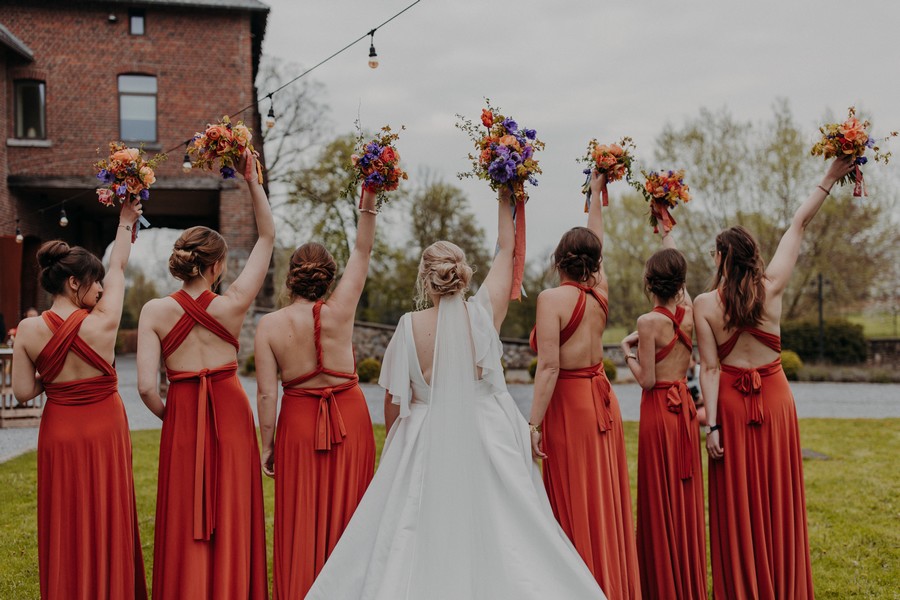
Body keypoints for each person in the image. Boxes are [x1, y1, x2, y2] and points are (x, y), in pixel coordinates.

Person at [306, 188, 606, 599]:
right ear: (461, 274)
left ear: (425, 277)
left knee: (411, 530)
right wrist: (505, 191)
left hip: (425, 435)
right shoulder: (484, 313)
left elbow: (395, 403)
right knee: (510, 527)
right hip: (488, 432)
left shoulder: (408, 328)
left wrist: (396, 446)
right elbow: (506, 249)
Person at [694, 155, 854, 599]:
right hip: (776, 398)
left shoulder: (705, 305)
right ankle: (783, 583)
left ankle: (746, 586)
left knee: (739, 504)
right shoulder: (774, 285)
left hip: (728, 401)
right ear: (752, 256)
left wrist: (712, 425)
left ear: (723, 258)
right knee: (778, 499)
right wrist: (828, 177)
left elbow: (708, 367)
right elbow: (798, 225)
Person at [136, 151, 272, 600]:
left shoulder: (154, 311)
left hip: (183, 413)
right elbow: (267, 238)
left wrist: (174, 414)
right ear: (215, 265)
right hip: (230, 411)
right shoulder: (232, 306)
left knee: (183, 511)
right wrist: (252, 182)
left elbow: (143, 386)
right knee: (232, 503)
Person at [12, 200, 147, 599]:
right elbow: (120, 266)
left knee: (66, 518)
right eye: (96, 281)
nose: (102, 287)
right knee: (107, 514)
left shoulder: (28, 329)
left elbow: (22, 392)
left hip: (60, 431)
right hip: (104, 427)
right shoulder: (103, 323)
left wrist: (51, 376)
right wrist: (126, 220)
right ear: (75, 283)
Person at [254, 189, 379, 598]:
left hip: (299, 425)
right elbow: (363, 250)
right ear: (328, 275)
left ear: (292, 276)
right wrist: (370, 199)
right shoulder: (341, 310)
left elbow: (267, 395)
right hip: (351, 420)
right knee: (352, 514)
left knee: (301, 515)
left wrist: (267, 444)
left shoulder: (269, 326)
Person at [528, 171, 640, 598]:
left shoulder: (550, 300)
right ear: (593, 264)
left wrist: (533, 423)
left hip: (570, 405)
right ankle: (608, 579)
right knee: (601, 494)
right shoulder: (601, 292)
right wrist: (595, 194)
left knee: (574, 494)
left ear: (559, 259)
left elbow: (549, 368)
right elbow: (598, 240)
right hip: (602, 400)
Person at [620, 230, 707, 599]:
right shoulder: (689, 314)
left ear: (648, 283)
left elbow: (646, 381)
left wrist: (627, 353)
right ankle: (687, 577)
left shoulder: (646, 323)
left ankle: (662, 583)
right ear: (681, 284)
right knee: (684, 490)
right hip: (685, 408)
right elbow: (679, 278)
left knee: (658, 494)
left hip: (658, 409)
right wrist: (667, 232)